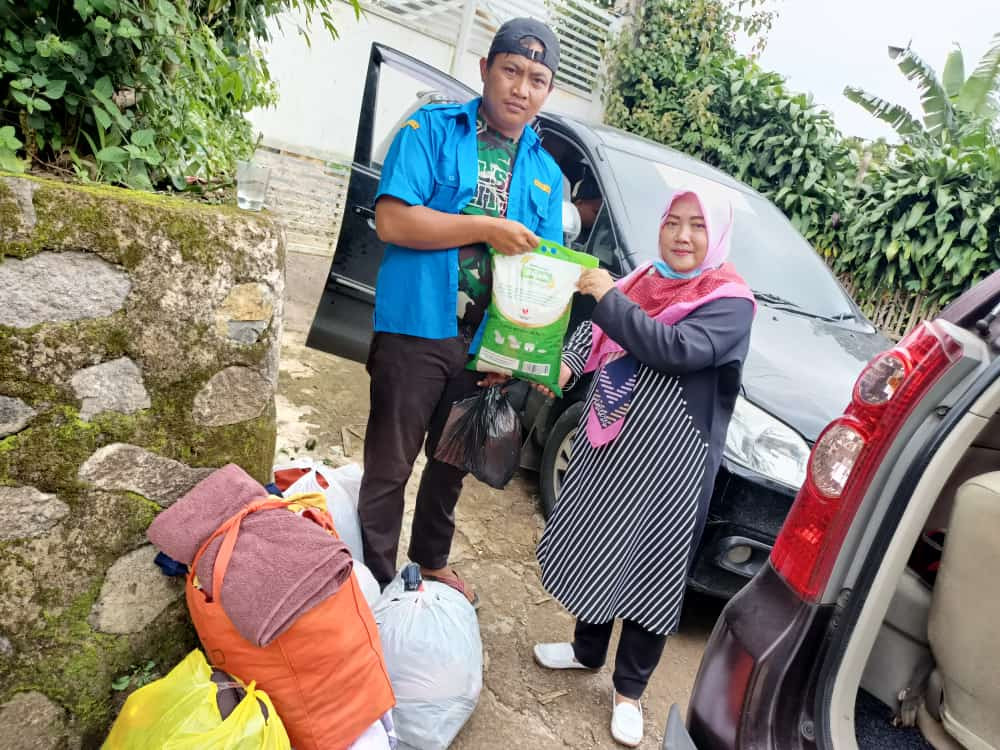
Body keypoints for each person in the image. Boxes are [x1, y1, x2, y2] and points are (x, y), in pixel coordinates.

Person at [532, 188, 756, 746]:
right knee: (598, 548)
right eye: (673, 223)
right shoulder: (642, 281)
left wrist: (609, 297)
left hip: (672, 460)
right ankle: (586, 652)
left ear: (717, 236)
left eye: (697, 226)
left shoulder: (730, 302)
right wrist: (561, 365)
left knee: (650, 571)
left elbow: (673, 348)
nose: (682, 236)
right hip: (610, 445)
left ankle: (630, 690)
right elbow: (595, 333)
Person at [360, 18, 565, 605]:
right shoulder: (430, 129)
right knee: (389, 464)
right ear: (486, 69)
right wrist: (486, 229)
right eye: (512, 71)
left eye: (537, 79)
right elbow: (393, 220)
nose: (521, 88)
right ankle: (375, 582)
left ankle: (428, 561)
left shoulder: (547, 176)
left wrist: (512, 351)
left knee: (450, 463)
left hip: (482, 342)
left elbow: (542, 276)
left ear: (546, 92)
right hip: (417, 327)